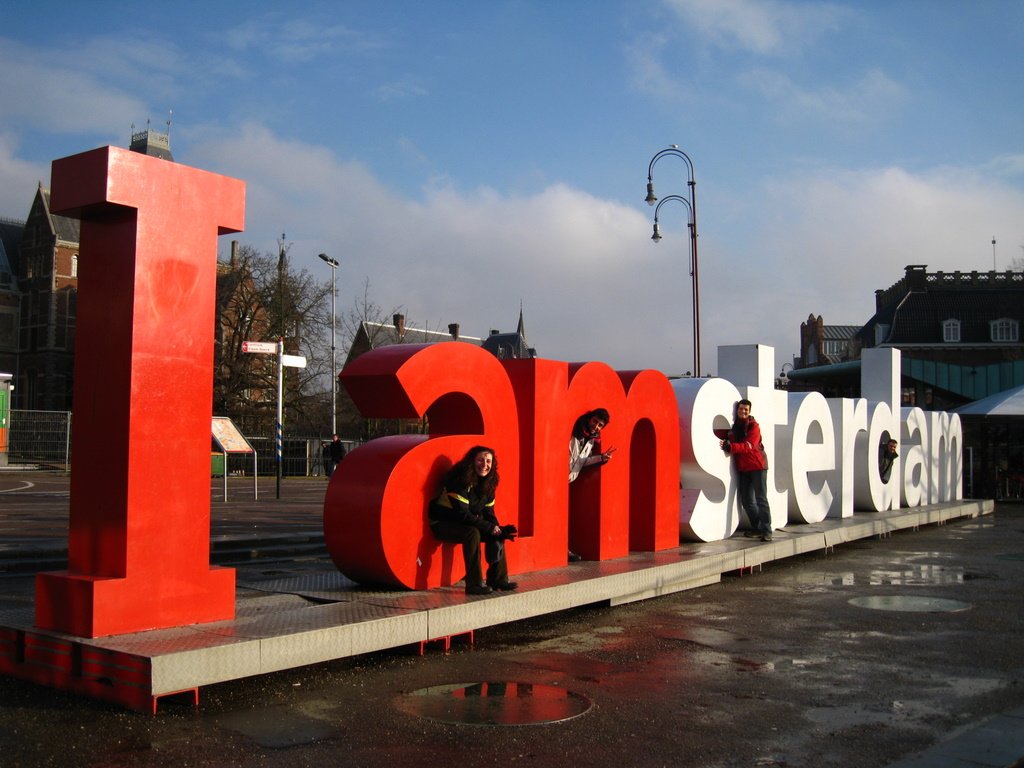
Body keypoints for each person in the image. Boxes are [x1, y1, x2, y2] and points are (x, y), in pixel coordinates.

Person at [429, 445, 518, 595]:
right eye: (480, 460)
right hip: (442, 523)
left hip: (464, 523)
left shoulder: (489, 484)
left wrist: (498, 529)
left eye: (488, 461)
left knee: (496, 532)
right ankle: (474, 584)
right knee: (473, 533)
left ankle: (498, 579)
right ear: (472, 461)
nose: (485, 465)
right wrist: (489, 527)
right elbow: (461, 514)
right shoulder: (459, 479)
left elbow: (488, 513)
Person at [720, 399, 773, 542]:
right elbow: (724, 436)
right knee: (747, 501)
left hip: (757, 466)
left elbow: (748, 445)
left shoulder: (754, 427)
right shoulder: (734, 428)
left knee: (761, 499)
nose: (743, 411)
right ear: (737, 410)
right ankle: (757, 528)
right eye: (741, 409)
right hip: (744, 468)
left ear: (749, 412)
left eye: (746, 410)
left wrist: (731, 447)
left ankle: (767, 531)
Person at [567, 408, 617, 561]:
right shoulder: (574, 430)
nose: (596, 426)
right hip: (554, 479)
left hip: (568, 480)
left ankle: (564, 550)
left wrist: (602, 458)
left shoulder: (591, 439)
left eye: (600, 425)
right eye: (595, 421)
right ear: (590, 418)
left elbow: (582, 462)